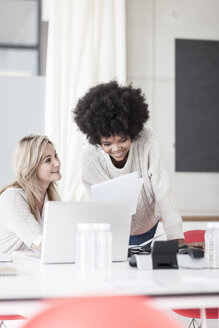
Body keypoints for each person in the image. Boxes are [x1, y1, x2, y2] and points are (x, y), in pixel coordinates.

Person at [73, 80, 184, 246]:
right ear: (97, 141)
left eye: (123, 140)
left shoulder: (147, 140)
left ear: (133, 131)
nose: (116, 148)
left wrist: (176, 237)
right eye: (107, 144)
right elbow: (104, 206)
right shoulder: (90, 156)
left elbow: (163, 189)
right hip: (114, 228)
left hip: (148, 223)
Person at [0, 135, 61, 253]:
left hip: (31, 266)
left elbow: (61, 237)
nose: (57, 163)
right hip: (7, 268)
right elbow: (41, 242)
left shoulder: (53, 198)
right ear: (31, 167)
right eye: (48, 160)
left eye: (56, 156)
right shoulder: (12, 198)